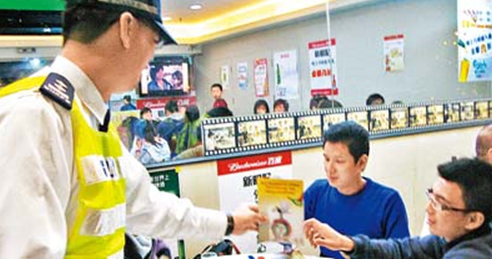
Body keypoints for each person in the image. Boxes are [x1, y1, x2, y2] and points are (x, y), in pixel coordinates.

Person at [0, 0, 267, 257]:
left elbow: (149, 208)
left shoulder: (91, 120)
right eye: (154, 42)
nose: (152, 58)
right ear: (126, 28)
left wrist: (231, 223)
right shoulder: (34, 116)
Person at [304, 157, 492, 258]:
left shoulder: (473, 255)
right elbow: (400, 250)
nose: (428, 208)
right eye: (431, 196)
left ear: (473, 219)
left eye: (439, 203)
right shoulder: (447, 240)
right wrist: (347, 243)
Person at [304, 121, 410, 258]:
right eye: (326, 159)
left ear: (361, 163)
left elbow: (403, 255)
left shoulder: (388, 202)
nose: (330, 169)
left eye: (339, 161)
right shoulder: (317, 192)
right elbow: (285, 225)